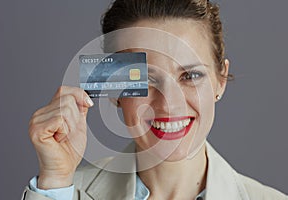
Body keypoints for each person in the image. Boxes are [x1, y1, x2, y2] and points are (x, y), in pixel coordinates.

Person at [21, 0, 288, 199]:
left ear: (220, 80)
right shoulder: (61, 191)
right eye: (147, 79)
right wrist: (55, 181)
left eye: (191, 75)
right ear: (115, 88)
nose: (169, 104)